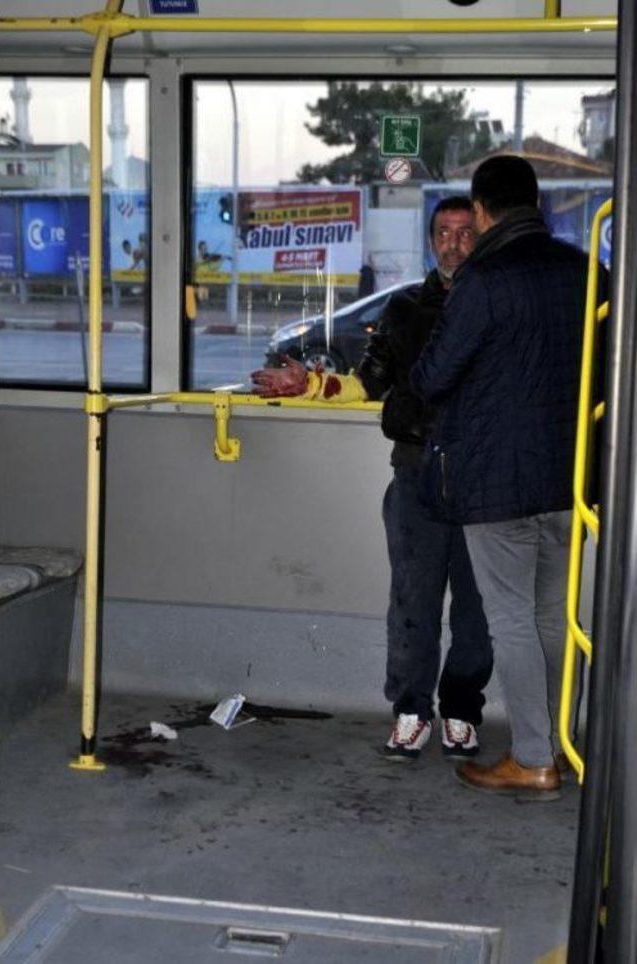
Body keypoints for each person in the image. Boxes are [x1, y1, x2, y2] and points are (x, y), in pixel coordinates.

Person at [252, 197, 493, 761]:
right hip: (415, 473)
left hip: (486, 482)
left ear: (480, 239)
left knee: (478, 608)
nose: (454, 243)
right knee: (413, 600)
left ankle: (461, 710)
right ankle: (412, 712)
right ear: (430, 241)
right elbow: (369, 382)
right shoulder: (407, 308)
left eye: (465, 233)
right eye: (444, 233)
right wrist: (310, 384)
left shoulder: (498, 307)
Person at [410, 156, 606, 799]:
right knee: (554, 616)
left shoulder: (483, 279)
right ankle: (557, 744)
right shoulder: (588, 272)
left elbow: (433, 376)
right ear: (537, 205)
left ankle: (531, 757)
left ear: (484, 210)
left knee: (513, 621)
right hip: (571, 478)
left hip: (497, 482)